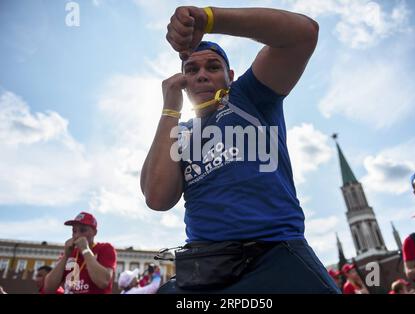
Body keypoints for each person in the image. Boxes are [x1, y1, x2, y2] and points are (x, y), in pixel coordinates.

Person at [141, 5, 340, 293]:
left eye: (212, 67)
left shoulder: (250, 97)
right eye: (191, 70)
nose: (201, 75)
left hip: (275, 255)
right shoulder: (179, 132)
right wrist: (170, 108)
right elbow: (157, 198)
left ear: (230, 75)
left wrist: (208, 19)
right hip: (207, 266)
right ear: (183, 82)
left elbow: (304, 34)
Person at [44, 212, 117, 294]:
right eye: (74, 231)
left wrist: (85, 250)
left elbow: (103, 282)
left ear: (94, 232)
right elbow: (48, 289)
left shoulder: (105, 248)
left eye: (83, 230)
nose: (77, 235)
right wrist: (66, 256)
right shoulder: (70, 253)